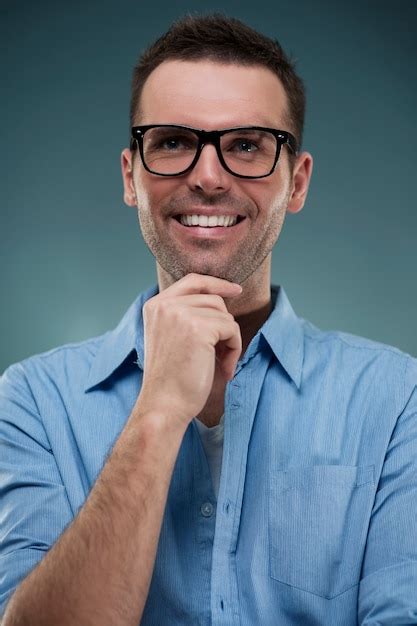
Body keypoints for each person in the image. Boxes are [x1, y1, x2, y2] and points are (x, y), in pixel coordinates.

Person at [1, 13, 416, 626]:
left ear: (296, 183)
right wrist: (158, 411)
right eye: (172, 142)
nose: (207, 176)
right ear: (130, 176)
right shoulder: (29, 402)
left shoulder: (398, 399)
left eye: (246, 145)